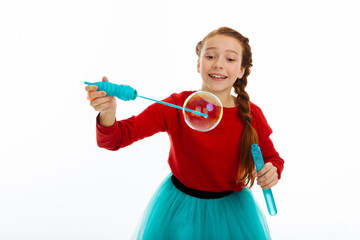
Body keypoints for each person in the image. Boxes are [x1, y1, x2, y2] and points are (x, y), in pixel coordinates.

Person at [85, 27, 284, 240]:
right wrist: (108, 111)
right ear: (198, 63)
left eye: (230, 59)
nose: (218, 63)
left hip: (232, 214)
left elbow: (272, 158)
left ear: (241, 71)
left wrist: (272, 171)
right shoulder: (177, 106)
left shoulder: (252, 115)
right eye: (210, 56)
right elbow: (115, 139)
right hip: (179, 211)